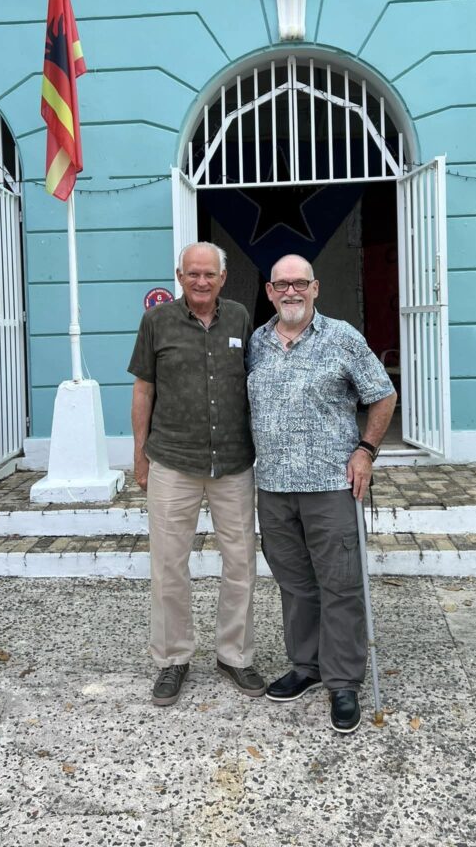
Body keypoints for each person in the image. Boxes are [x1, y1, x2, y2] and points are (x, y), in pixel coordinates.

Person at [247, 254, 396, 734]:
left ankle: (344, 682)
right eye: (281, 284)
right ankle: (307, 667)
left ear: (315, 288)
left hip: (332, 486)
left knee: (340, 586)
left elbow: (382, 392)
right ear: (270, 291)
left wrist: (366, 450)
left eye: (300, 284)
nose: (291, 292)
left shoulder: (342, 337)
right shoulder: (257, 342)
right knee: (295, 585)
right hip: (272, 487)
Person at [128, 241, 265, 706]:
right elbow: (143, 389)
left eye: (209, 274)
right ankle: (172, 659)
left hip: (232, 462)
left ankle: (235, 655)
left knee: (242, 561)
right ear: (180, 276)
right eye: (193, 274)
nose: (201, 281)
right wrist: (140, 453)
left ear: (223, 278)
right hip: (173, 460)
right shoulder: (156, 321)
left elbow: (256, 382)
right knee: (169, 565)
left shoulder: (242, 318)